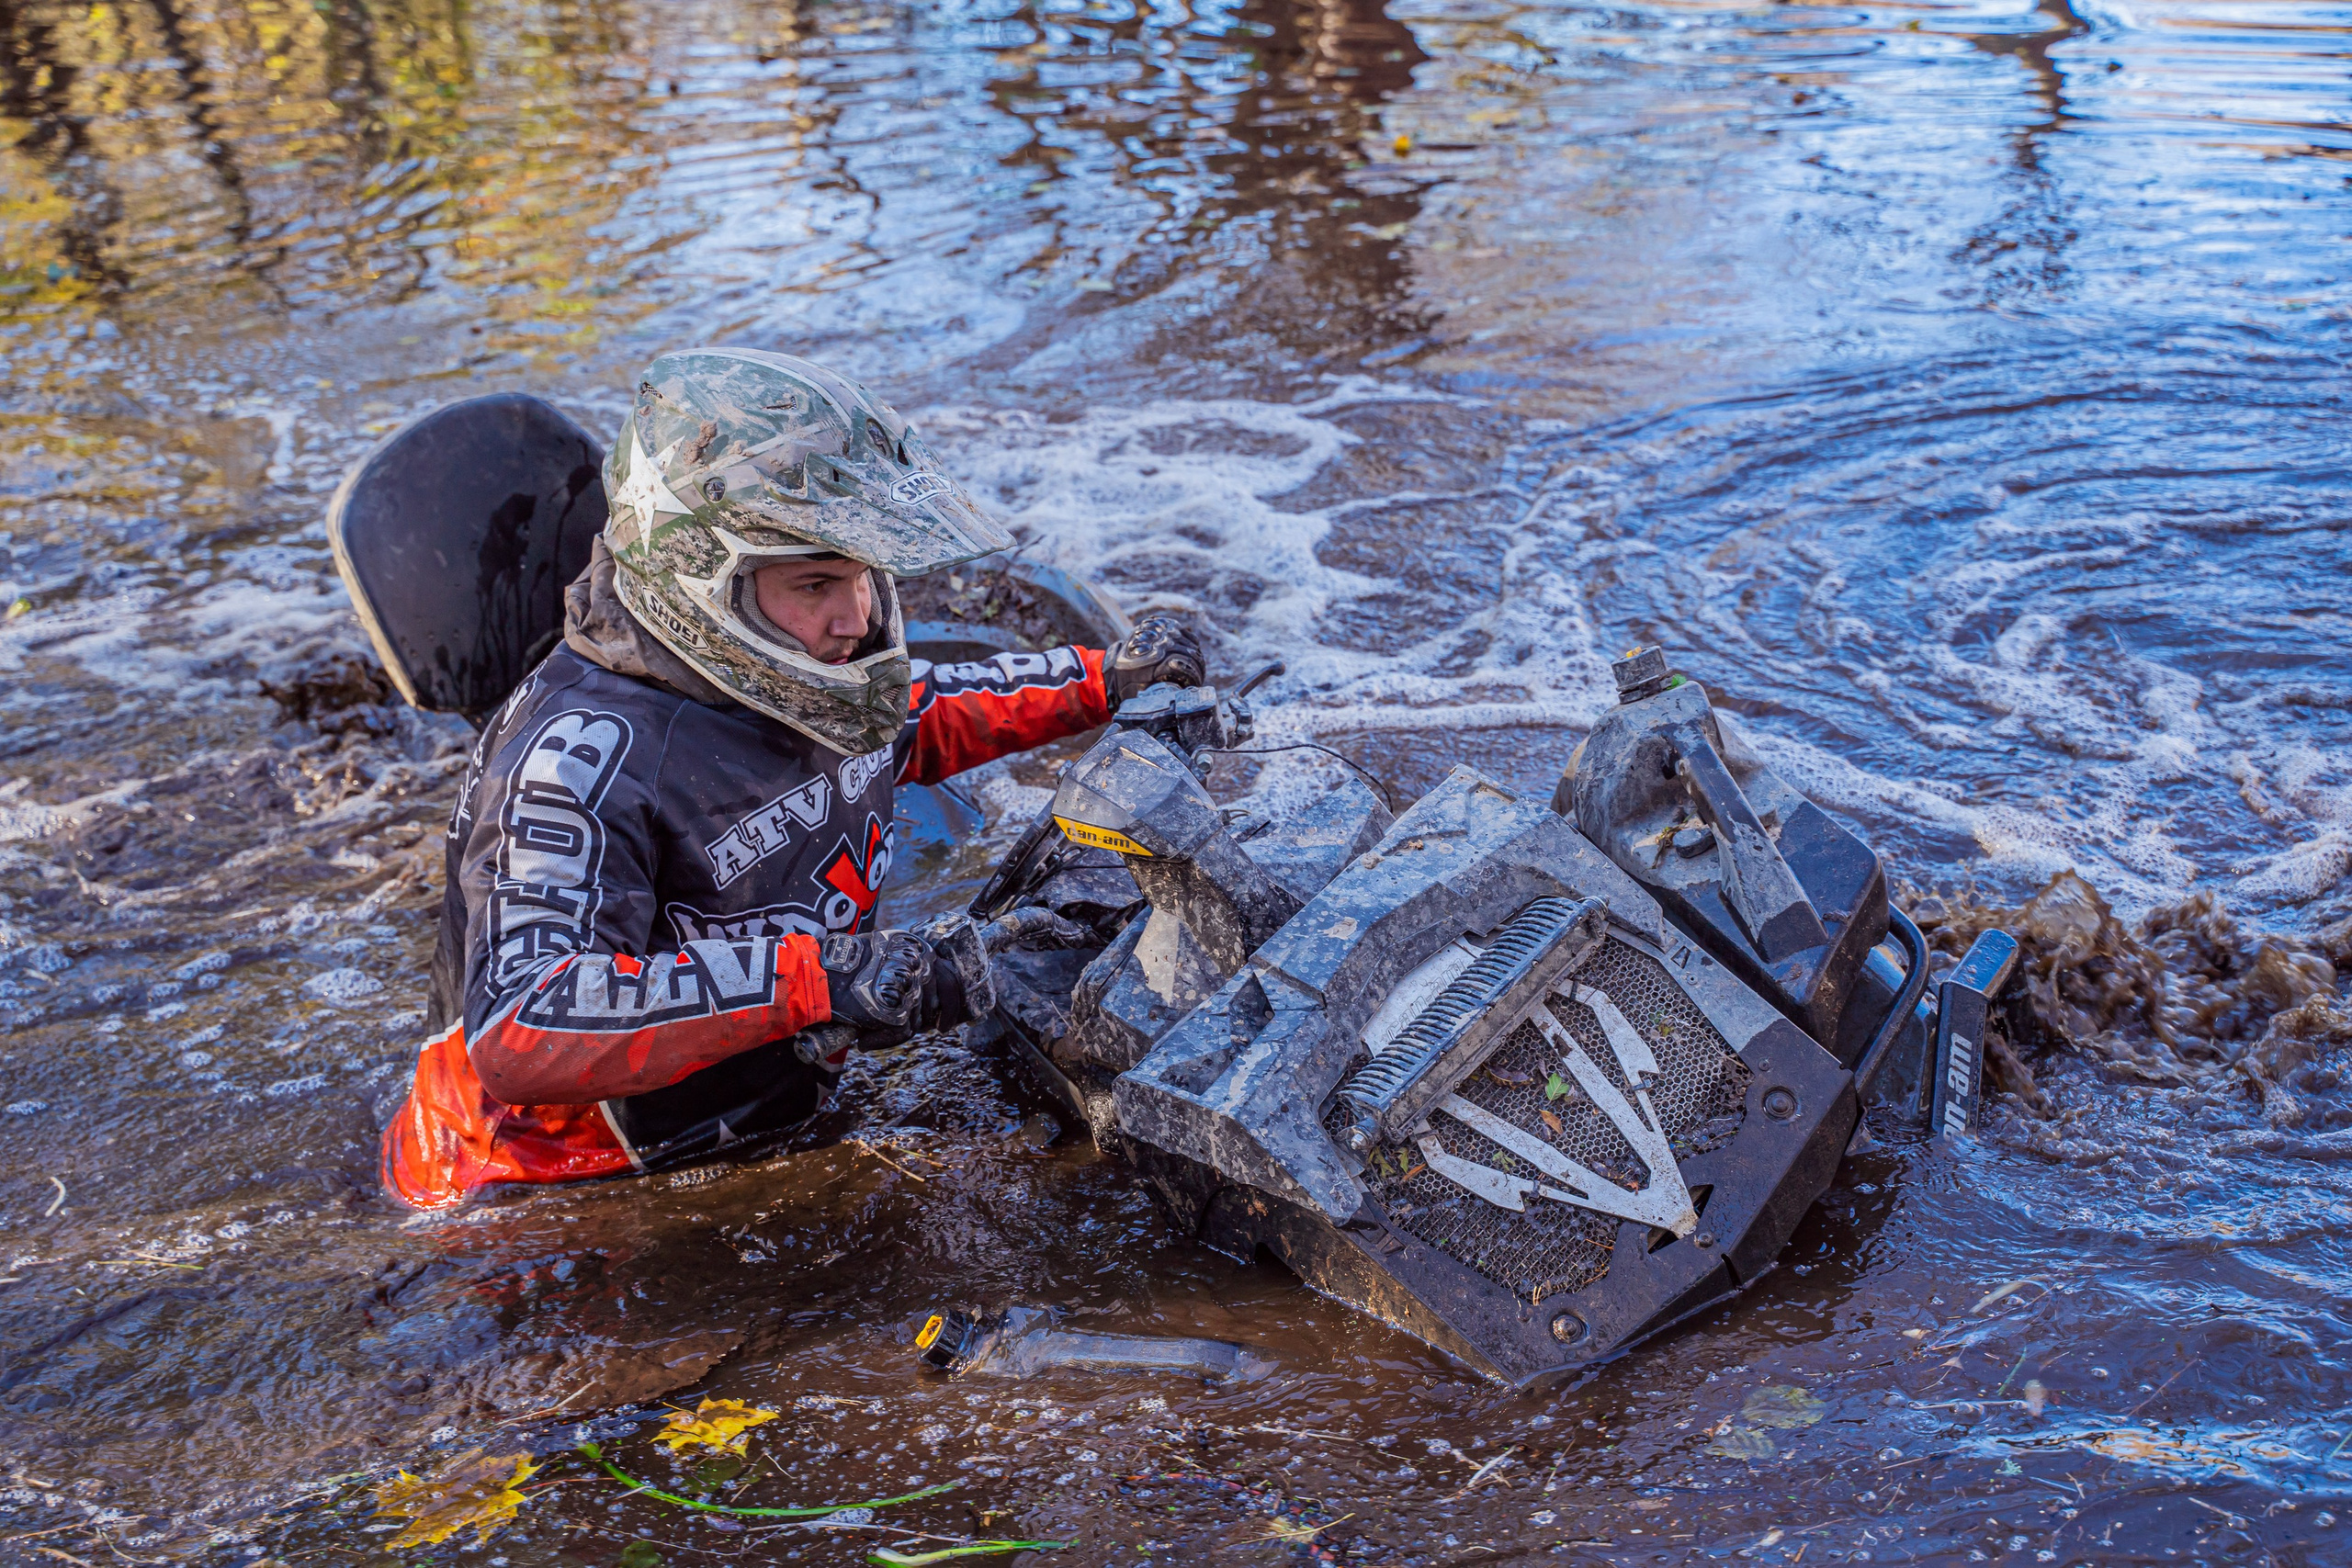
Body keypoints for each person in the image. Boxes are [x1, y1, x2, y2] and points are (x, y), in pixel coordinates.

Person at [380, 347, 1204, 1210]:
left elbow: (909, 719)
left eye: (865, 575)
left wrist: (1103, 680)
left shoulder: (794, 665)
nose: (856, 616)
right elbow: (524, 1021)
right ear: (703, 577)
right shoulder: (577, 757)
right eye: (817, 583)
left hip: (751, 1114)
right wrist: (824, 977)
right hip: (538, 1194)